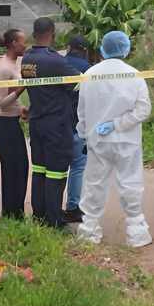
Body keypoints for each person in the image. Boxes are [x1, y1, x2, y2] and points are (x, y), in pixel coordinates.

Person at [75, 31, 153, 247]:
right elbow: (143, 109)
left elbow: (81, 111)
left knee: (94, 183)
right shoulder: (134, 75)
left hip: (97, 141)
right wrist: (119, 124)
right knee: (131, 183)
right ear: (125, 49)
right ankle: (136, 231)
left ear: (103, 49)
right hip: (127, 140)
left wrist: (85, 133)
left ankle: (88, 229)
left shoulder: (89, 74)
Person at [17, 17, 80, 228]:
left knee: (40, 172)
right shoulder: (55, 60)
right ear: (52, 32)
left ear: (34, 34)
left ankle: (40, 216)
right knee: (57, 173)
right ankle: (55, 222)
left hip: (37, 122)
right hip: (56, 124)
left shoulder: (27, 58)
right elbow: (77, 84)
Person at [0, 29, 30, 220]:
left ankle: (16, 211)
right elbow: (1, 102)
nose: (25, 45)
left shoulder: (14, 64)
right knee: (13, 169)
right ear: (14, 43)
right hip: (4, 124)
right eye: (23, 42)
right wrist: (24, 86)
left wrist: (20, 108)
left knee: (21, 168)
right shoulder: (5, 67)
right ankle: (11, 213)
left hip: (11, 120)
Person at [62, 34, 92, 224]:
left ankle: (52, 206)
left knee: (56, 168)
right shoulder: (90, 71)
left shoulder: (59, 64)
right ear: (85, 51)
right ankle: (73, 206)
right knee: (77, 168)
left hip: (58, 125)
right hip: (79, 127)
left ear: (68, 48)